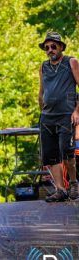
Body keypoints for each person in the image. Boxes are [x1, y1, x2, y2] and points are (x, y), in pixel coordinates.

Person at [38, 32, 79, 202]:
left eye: (53, 46)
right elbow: (41, 91)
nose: (50, 50)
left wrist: (77, 111)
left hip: (66, 115)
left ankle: (74, 183)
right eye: (47, 47)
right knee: (51, 154)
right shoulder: (43, 67)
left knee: (67, 151)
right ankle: (60, 189)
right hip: (48, 116)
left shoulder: (71, 62)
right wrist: (41, 108)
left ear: (61, 47)